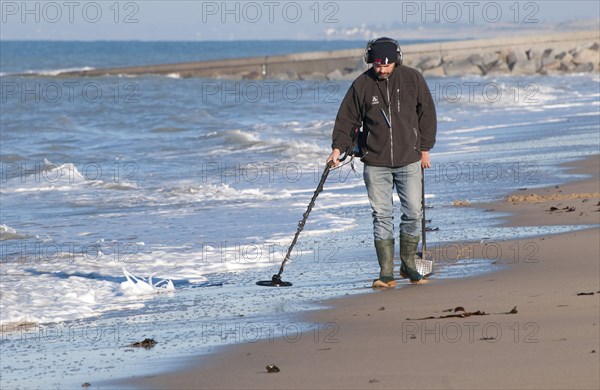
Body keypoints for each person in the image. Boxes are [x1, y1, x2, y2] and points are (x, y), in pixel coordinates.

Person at [326, 37, 437, 288]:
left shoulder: (413, 79)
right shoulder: (362, 84)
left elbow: (427, 114)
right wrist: (337, 149)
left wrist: (425, 149)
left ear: (397, 60)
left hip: (410, 159)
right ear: (370, 61)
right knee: (381, 215)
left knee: (413, 213)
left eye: (387, 65)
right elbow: (347, 120)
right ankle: (385, 272)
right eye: (377, 65)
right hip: (374, 161)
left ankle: (408, 264)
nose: (382, 70)